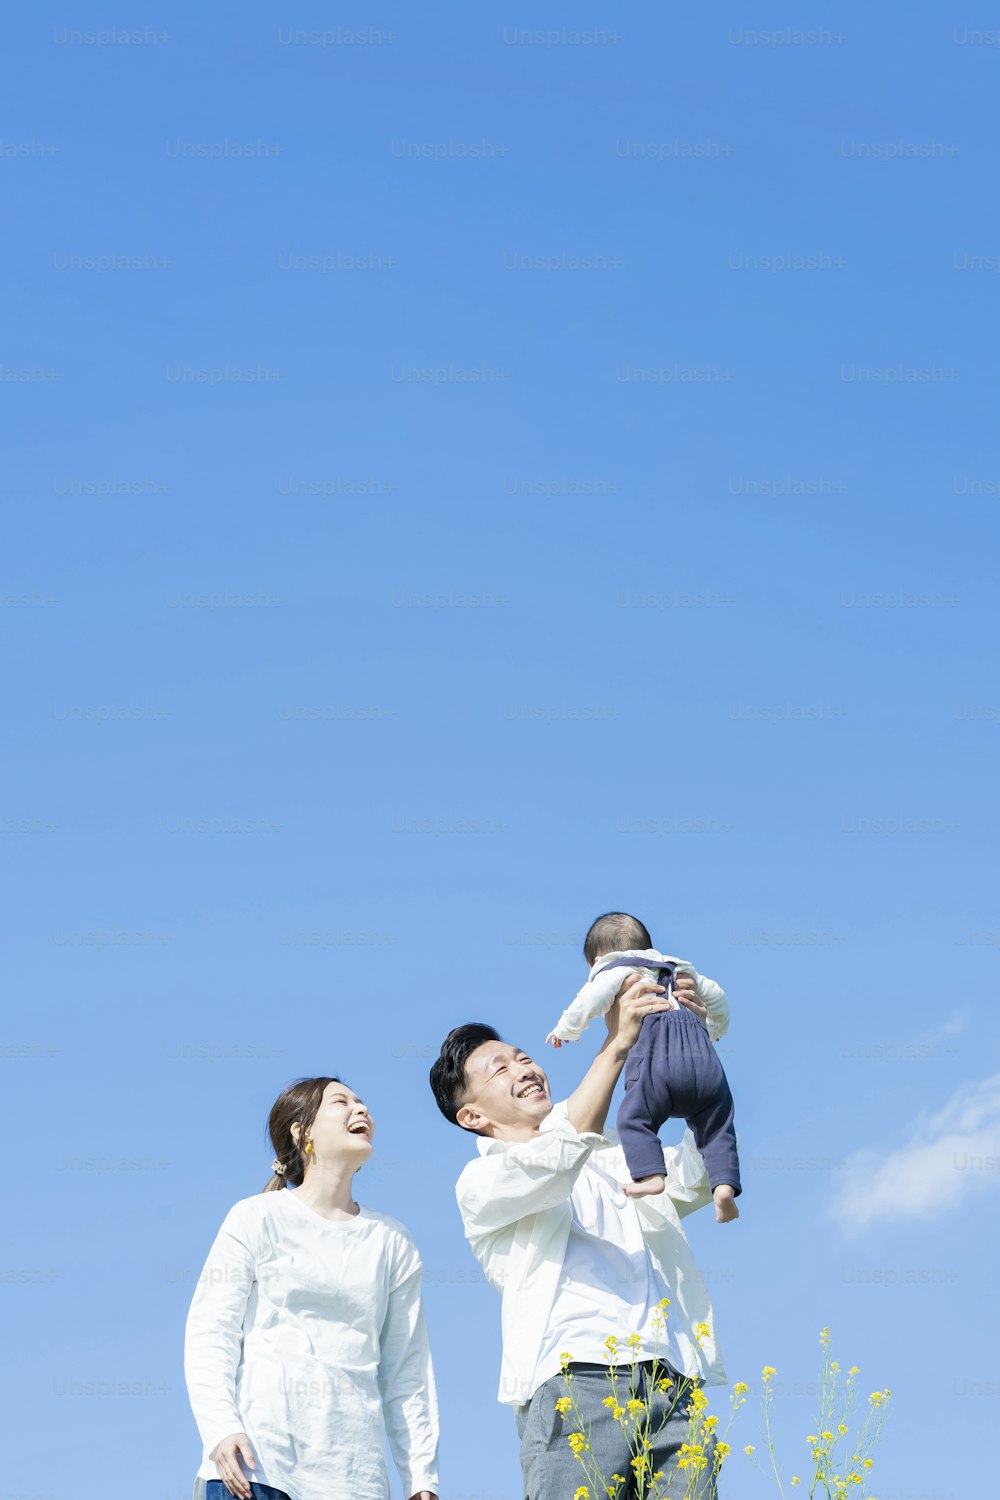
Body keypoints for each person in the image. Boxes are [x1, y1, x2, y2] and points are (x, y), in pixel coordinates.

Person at [429, 972, 727, 1499]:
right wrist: (618, 1044)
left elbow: (699, 1178)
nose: (523, 1068)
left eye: (522, 1057)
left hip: (669, 1374)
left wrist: (695, 1053)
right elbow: (560, 1155)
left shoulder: (614, 1149)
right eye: (499, 1069)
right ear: (472, 1115)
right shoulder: (481, 1182)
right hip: (576, 1378)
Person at [184, 1076, 439, 1500]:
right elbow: (211, 1331)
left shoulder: (391, 1239)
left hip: (357, 1480)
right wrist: (220, 1428)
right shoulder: (257, 1217)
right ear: (303, 1132)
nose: (362, 1111)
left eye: (363, 1103)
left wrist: (421, 1480)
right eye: (341, 1102)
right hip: (256, 1469)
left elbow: (407, 1371)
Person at [546, 911, 741, 1220]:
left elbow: (590, 999)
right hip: (704, 1061)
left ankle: (650, 1175)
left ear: (598, 958)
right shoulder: (680, 969)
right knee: (718, 1126)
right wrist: (714, 1029)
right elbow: (717, 996)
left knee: (635, 1119)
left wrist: (567, 1029)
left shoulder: (615, 969)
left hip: (657, 1060)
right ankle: (724, 1186)